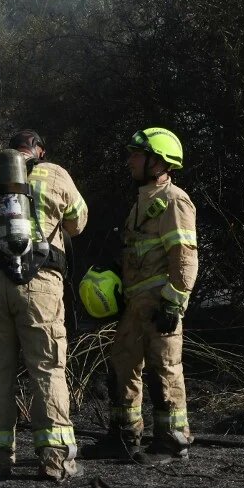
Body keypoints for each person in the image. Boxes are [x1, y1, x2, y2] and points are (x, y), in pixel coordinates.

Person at [0, 130, 88, 482]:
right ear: (39, 152)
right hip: (40, 283)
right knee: (47, 367)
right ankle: (55, 458)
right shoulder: (56, 174)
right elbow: (78, 222)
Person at [84, 127, 197, 465]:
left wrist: (173, 302)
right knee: (123, 365)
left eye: (137, 154)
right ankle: (123, 436)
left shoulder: (174, 201)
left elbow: (185, 257)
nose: (130, 160)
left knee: (165, 368)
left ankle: (172, 442)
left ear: (158, 162)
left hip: (160, 303)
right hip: (135, 304)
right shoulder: (142, 202)